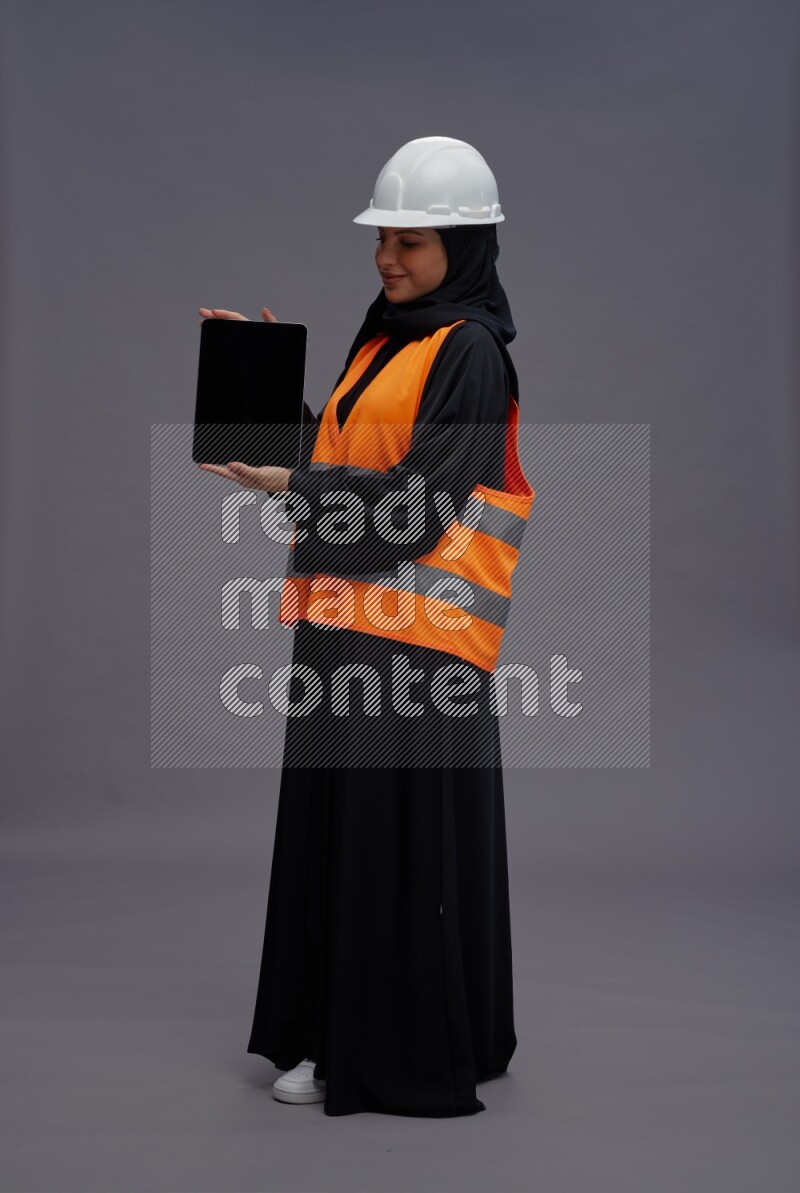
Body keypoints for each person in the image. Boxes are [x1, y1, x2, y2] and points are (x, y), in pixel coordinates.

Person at [198, 136, 535, 1117]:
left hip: (418, 651)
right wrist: (265, 399)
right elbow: (356, 456)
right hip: (342, 627)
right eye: (382, 238)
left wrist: (292, 486)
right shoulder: (387, 334)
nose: (389, 258)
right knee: (340, 838)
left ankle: (384, 1052)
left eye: (412, 242)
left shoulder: (467, 349)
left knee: (394, 851)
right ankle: (325, 1035)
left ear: (465, 249)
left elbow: (415, 509)